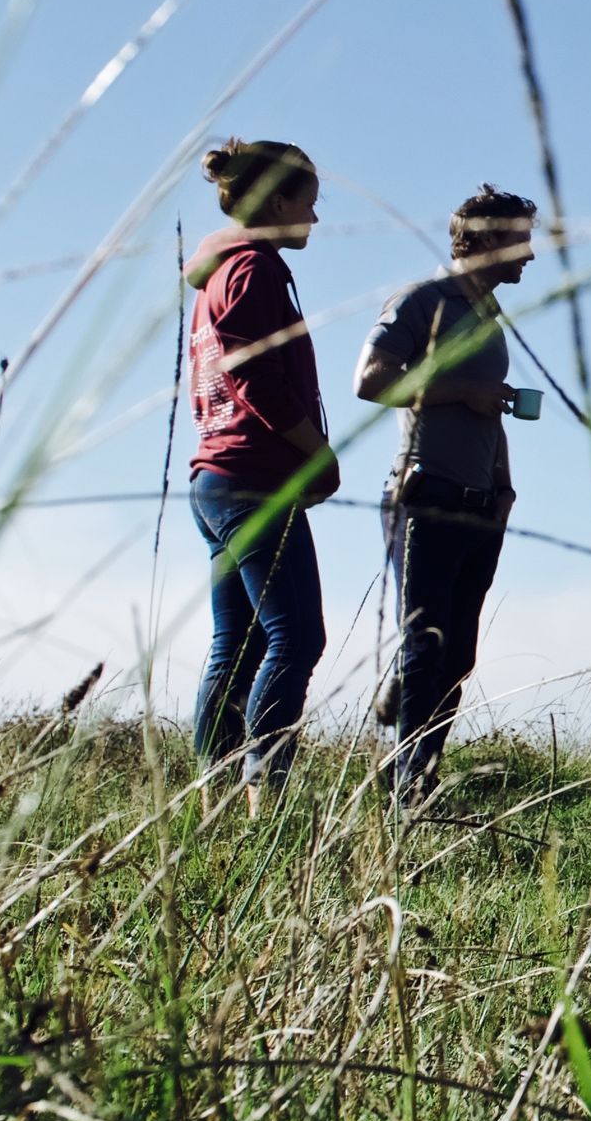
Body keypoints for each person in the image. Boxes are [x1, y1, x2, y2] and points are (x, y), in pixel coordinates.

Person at [355, 187, 537, 806]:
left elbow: (486, 411)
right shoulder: (421, 301)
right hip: (424, 492)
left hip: (482, 500)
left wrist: (504, 484)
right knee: (427, 643)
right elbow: (372, 380)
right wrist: (461, 390)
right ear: (483, 240)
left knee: (458, 653)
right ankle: (409, 790)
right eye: (520, 240)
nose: (530, 256)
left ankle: (411, 771)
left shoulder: (488, 316)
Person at [184, 138, 337, 799]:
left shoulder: (223, 271)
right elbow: (254, 372)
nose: (315, 218)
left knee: (239, 642)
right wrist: (315, 449)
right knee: (296, 638)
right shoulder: (256, 269)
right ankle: (261, 795)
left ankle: (208, 796)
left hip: (216, 479)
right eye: (308, 204)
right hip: (251, 480)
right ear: (278, 202)